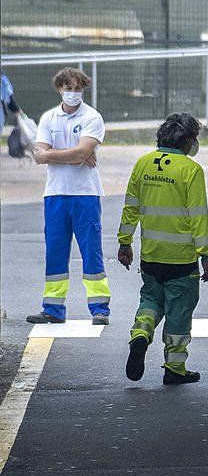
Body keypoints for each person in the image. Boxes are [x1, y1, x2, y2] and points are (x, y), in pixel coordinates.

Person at [118, 113, 208, 386]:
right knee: (179, 312)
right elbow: (198, 216)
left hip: (151, 255)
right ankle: (175, 368)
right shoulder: (190, 170)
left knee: (150, 301)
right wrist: (205, 255)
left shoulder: (143, 163)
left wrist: (125, 242)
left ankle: (140, 334)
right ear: (186, 140)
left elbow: (131, 207)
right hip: (181, 260)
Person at [27, 68, 109, 325]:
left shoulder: (93, 117)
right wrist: (75, 153)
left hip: (85, 194)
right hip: (55, 194)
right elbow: (46, 155)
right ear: (59, 89)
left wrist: (58, 153)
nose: (73, 94)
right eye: (69, 88)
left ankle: (99, 309)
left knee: (91, 251)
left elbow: (55, 154)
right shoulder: (49, 118)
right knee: (55, 252)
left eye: (78, 89)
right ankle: (52, 308)